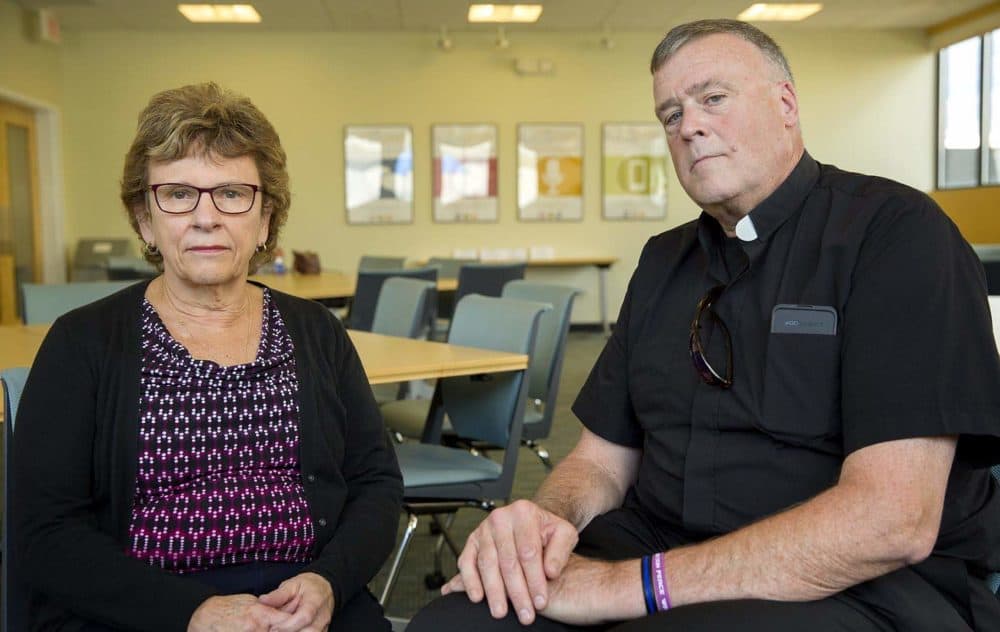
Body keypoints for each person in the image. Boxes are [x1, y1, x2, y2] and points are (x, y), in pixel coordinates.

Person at [409, 18, 1000, 632]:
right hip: (656, 545)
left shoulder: (895, 236)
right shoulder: (665, 261)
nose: (689, 125)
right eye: (671, 114)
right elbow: (603, 461)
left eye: (713, 98)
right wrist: (544, 520)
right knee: (456, 621)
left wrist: (631, 585)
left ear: (786, 104)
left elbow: (892, 520)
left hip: (850, 585)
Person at [12, 83, 403, 631]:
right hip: (138, 609)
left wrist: (329, 582)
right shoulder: (81, 343)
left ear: (265, 218)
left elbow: (376, 484)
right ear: (146, 219)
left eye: (231, 193)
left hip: (305, 601)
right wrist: (190, 613)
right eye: (177, 194)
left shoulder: (317, 332)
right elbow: (42, 532)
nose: (206, 217)